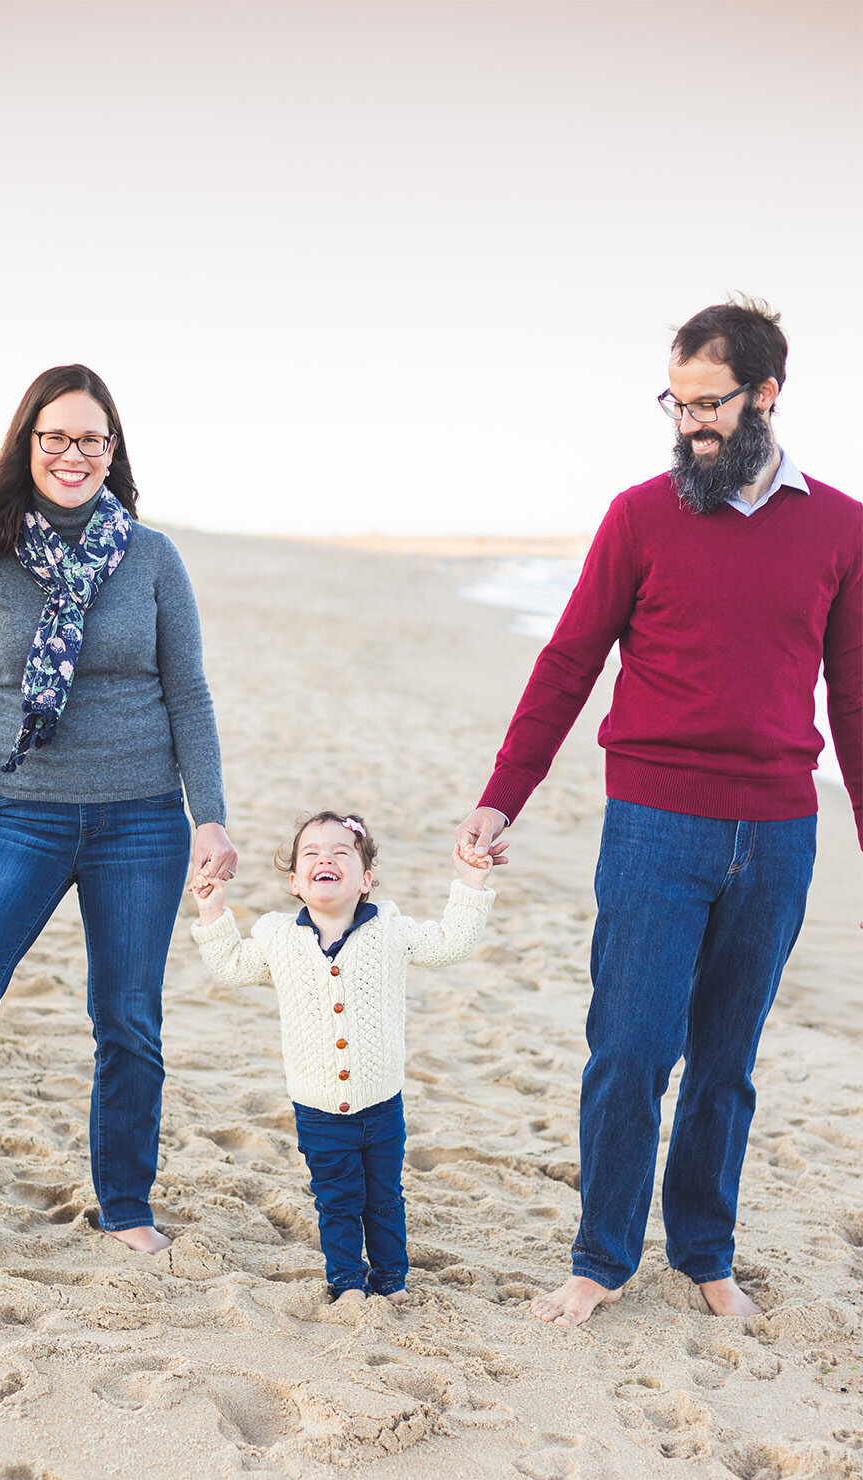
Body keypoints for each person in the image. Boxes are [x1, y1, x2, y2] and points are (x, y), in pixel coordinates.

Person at [456, 297, 863, 1327]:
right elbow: (567, 662)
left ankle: (701, 1253)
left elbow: (852, 697)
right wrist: (503, 795)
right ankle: (599, 1258)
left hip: (777, 831)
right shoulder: (637, 514)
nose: (688, 422)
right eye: (673, 402)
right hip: (653, 820)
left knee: (725, 1063)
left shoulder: (841, 528)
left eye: (708, 402)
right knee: (630, 1049)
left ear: (765, 396)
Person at [0, 363, 237, 1268]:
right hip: (20, 820)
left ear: (112, 450)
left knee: (126, 1020)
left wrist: (209, 818)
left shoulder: (153, 558)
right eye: (56, 438)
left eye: (91, 438)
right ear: (29, 446)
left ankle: (125, 1208)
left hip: (142, 823)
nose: (73, 454)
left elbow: (189, 694)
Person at [191, 813, 495, 1303]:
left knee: (384, 1201)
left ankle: (392, 1282)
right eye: (310, 853)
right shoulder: (277, 937)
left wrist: (471, 884)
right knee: (337, 1201)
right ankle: (348, 1282)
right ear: (294, 882)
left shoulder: (391, 931)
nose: (325, 859)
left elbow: (450, 945)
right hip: (316, 1110)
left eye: (341, 852)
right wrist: (212, 912)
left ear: (365, 879)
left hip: (381, 1106)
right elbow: (230, 967)